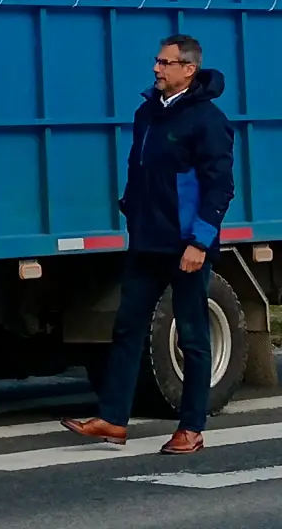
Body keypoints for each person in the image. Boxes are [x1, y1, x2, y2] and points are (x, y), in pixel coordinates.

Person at [61, 34, 235, 455]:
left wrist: (200, 242)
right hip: (146, 242)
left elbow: (219, 187)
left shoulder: (208, 120)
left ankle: (191, 428)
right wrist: (131, 209)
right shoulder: (147, 112)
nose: (156, 68)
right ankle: (113, 419)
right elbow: (138, 170)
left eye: (165, 62)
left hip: (186, 246)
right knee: (126, 328)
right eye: (156, 61)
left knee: (192, 336)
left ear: (189, 69)